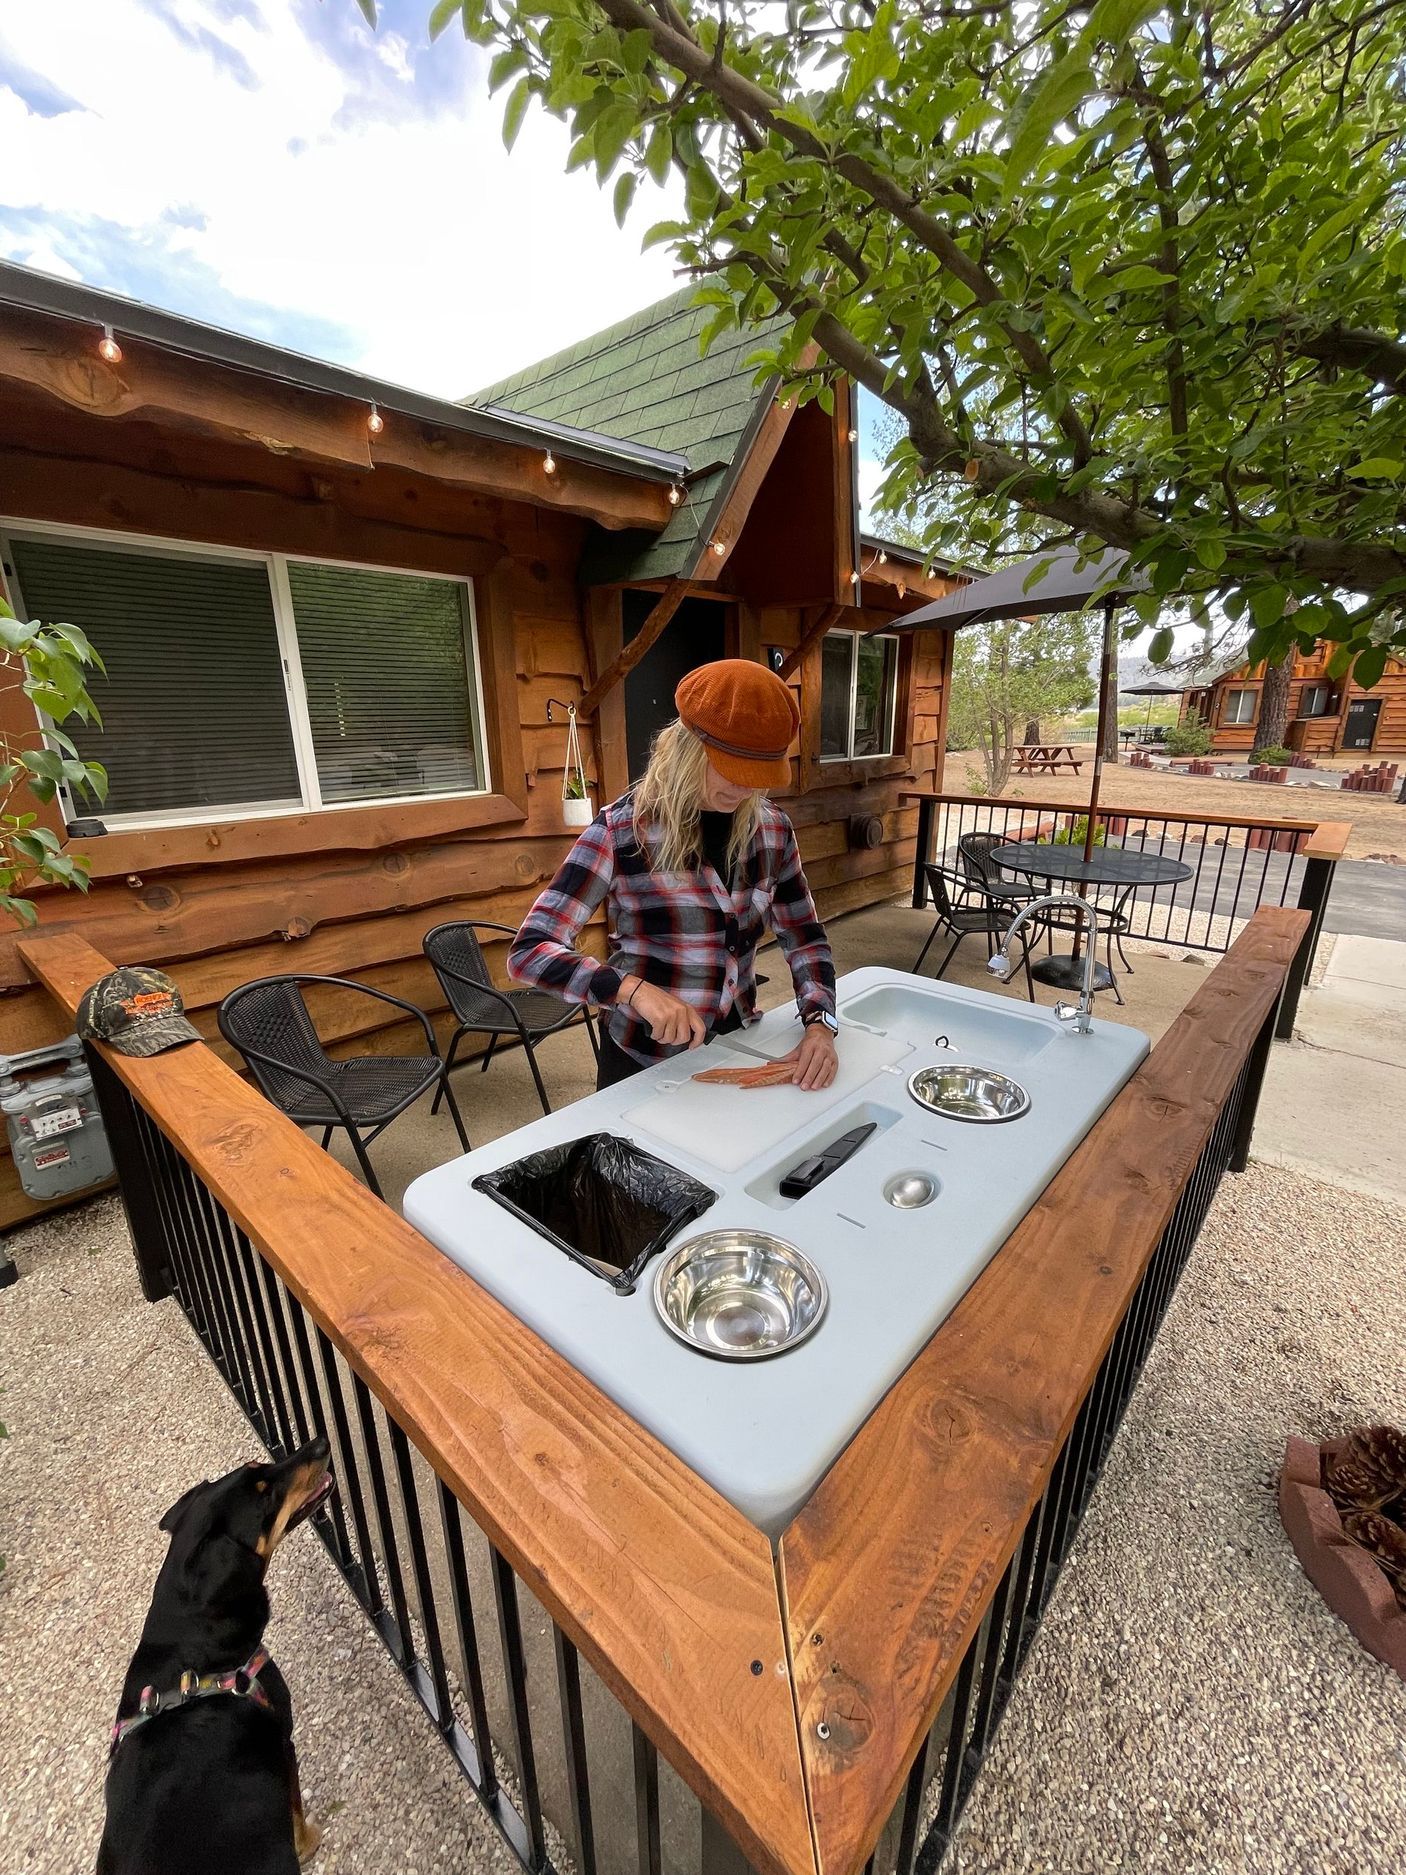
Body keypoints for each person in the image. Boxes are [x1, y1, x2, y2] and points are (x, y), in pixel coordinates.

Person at [509, 659, 840, 1093]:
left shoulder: (773, 830)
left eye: (759, 777)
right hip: (640, 1059)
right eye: (734, 770)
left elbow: (804, 937)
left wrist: (820, 1023)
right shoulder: (621, 831)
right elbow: (530, 951)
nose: (745, 790)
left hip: (734, 1044)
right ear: (688, 747)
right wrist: (632, 990)